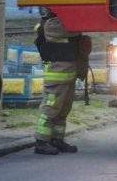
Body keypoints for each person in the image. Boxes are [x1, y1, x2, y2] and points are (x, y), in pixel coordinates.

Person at [34, 8, 91, 155]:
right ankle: (41, 141)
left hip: (68, 74)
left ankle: (57, 140)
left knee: (64, 109)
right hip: (57, 76)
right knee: (51, 108)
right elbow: (73, 30)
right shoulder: (52, 25)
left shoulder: (62, 23)